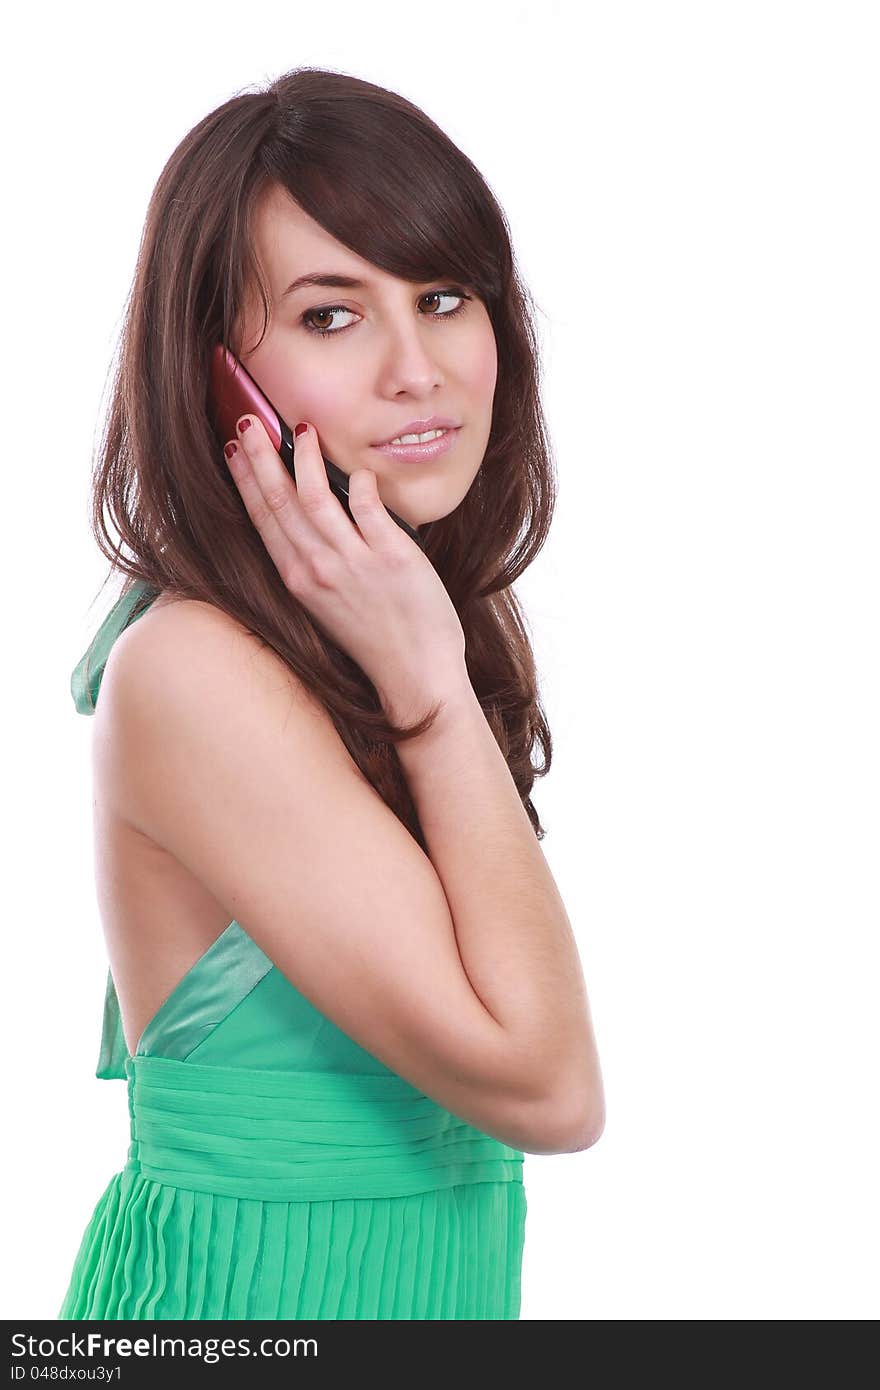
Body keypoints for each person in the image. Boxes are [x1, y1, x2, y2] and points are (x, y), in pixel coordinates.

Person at [58, 65, 605, 1321]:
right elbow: (549, 1087)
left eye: (443, 297)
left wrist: (426, 674)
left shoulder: (399, 629)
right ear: (217, 378)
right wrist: (428, 696)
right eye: (329, 316)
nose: (417, 369)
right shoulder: (193, 669)